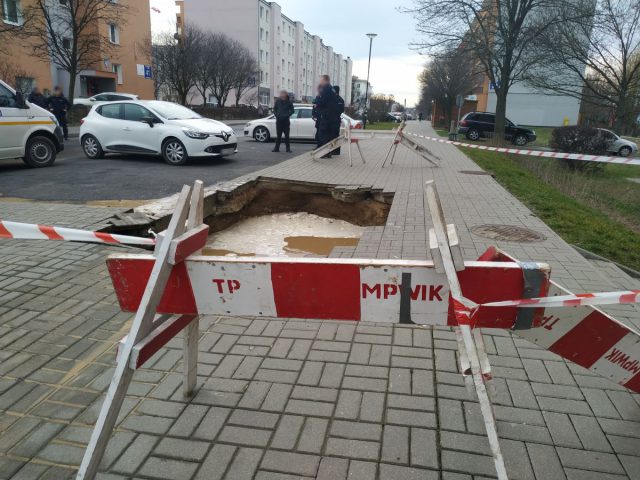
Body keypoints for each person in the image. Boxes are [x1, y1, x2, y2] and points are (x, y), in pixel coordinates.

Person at [314, 75, 339, 158]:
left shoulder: (326, 88)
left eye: (321, 80)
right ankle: (328, 153)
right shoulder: (332, 89)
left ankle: (326, 152)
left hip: (327, 115)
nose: (320, 81)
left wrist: (317, 104)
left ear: (325, 80)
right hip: (332, 115)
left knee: (322, 134)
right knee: (327, 135)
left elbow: (322, 101)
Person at [333, 85, 345, 155]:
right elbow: (342, 110)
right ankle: (337, 151)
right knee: (336, 135)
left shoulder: (333, 99)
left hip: (333, 119)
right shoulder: (341, 99)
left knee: (332, 136)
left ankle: (332, 151)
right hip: (337, 120)